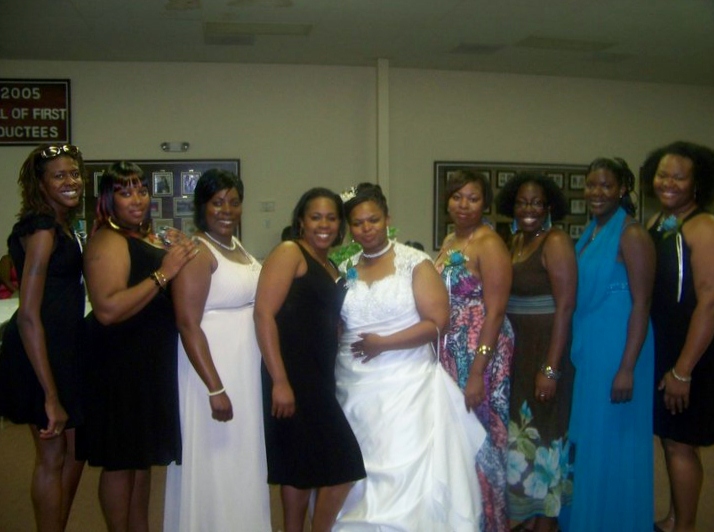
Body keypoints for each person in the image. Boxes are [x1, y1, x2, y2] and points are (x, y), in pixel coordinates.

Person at [334, 183, 486, 531]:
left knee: (403, 464)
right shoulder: (346, 267)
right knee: (354, 465)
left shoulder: (415, 263)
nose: (366, 228)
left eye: (374, 220)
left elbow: (438, 324)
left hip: (407, 382)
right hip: (353, 383)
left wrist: (384, 344)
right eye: (357, 223)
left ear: (388, 219)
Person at [76, 161, 198, 531]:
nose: (137, 199)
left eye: (142, 191)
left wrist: (181, 252)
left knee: (140, 461)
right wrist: (164, 271)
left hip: (147, 361)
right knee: (121, 462)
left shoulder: (144, 237)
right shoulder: (107, 240)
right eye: (125, 192)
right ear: (108, 200)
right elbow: (108, 310)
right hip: (118, 363)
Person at [163, 169, 271, 530]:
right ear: (202, 207)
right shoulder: (197, 252)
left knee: (240, 458)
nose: (227, 210)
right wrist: (215, 387)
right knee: (217, 458)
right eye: (217, 202)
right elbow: (187, 323)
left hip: (242, 370)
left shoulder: (236, 245)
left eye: (234, 202)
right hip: (212, 370)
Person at [255, 187, 365, 532]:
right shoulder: (290, 252)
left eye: (331, 218)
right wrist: (280, 381)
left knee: (300, 468)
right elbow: (263, 315)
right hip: (291, 373)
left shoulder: (329, 263)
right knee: (344, 464)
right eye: (316, 217)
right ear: (301, 220)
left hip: (319, 374)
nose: (324, 224)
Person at [0, 144, 86, 531]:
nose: (71, 181)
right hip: (39, 353)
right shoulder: (42, 229)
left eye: (74, 173)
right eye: (59, 176)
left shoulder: (60, 224)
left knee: (75, 451)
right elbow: (28, 315)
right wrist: (50, 394)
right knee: (52, 457)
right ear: (40, 184)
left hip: (64, 350)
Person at [568, 157, 654, 531]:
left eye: (606, 185)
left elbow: (642, 303)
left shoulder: (631, 234)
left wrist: (627, 367)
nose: (596, 192)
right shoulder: (592, 231)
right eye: (591, 185)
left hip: (620, 348)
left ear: (622, 189)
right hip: (593, 348)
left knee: (615, 440)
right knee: (591, 439)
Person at [495, 173, 577, 532]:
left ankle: (546, 522)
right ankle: (529, 518)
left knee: (544, 436)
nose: (528, 209)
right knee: (522, 435)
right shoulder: (515, 241)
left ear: (549, 207)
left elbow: (565, 307)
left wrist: (551, 368)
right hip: (518, 352)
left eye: (537, 203)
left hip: (545, 351)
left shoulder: (555, 241)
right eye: (522, 202)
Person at [434, 170, 514, 532]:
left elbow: (496, 311)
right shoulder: (451, 239)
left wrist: (479, 371)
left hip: (483, 348)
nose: (463, 205)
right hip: (452, 351)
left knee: (481, 436)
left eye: (473, 198)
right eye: (457, 197)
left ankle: (489, 522)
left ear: (485, 204)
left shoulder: (489, 243)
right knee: (457, 437)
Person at [642, 141, 714, 532]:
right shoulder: (658, 222)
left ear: (697, 183)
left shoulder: (703, 227)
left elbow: (710, 303)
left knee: (681, 443)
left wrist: (683, 370)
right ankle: (673, 517)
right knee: (670, 439)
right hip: (663, 345)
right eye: (662, 175)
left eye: (679, 177)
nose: (668, 183)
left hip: (691, 351)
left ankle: (684, 525)